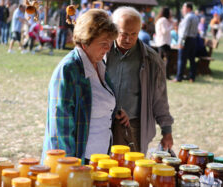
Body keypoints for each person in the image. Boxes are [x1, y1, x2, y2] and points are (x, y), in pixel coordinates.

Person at [41, 9, 129, 163]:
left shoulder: (99, 64)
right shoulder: (69, 69)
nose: (108, 49)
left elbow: (95, 104)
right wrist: (70, 168)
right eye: (103, 43)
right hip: (79, 163)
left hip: (100, 160)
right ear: (85, 41)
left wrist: (114, 112)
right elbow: (60, 129)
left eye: (110, 43)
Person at [106, 7, 174, 154]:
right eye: (123, 34)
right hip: (101, 124)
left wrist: (166, 131)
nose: (128, 39)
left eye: (134, 34)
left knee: (131, 172)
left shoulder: (151, 59)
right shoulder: (102, 51)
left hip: (132, 126)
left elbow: (160, 99)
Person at [174, 2, 199, 82]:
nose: (182, 10)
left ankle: (179, 77)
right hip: (193, 39)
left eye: (184, 8)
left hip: (186, 39)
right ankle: (192, 77)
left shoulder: (188, 17)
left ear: (188, 8)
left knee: (181, 59)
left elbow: (184, 31)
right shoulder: (195, 17)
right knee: (192, 59)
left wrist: (181, 42)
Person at [155, 7, 174, 79]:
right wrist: (172, 26)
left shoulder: (159, 20)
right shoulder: (164, 20)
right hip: (164, 42)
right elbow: (164, 31)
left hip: (160, 41)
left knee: (161, 59)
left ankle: (159, 75)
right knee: (167, 59)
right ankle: (166, 75)